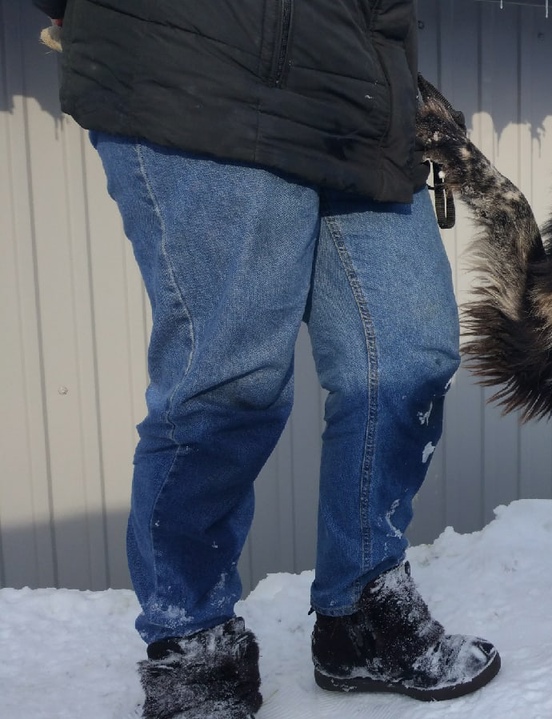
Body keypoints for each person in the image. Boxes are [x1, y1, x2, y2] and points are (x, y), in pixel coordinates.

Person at [32, 2, 501, 717]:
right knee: (229, 378)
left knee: (410, 353)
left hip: (359, 99)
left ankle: (360, 610)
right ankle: (192, 641)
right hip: (201, 67)